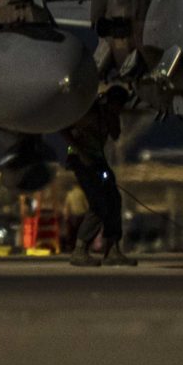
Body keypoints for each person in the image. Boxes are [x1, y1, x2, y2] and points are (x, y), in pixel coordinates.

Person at [65, 94, 129, 266]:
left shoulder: (107, 117)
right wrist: (80, 150)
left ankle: (112, 250)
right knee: (99, 203)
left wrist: (112, 117)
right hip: (81, 160)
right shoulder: (88, 111)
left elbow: (115, 135)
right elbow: (64, 129)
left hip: (97, 161)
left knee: (114, 199)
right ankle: (80, 250)